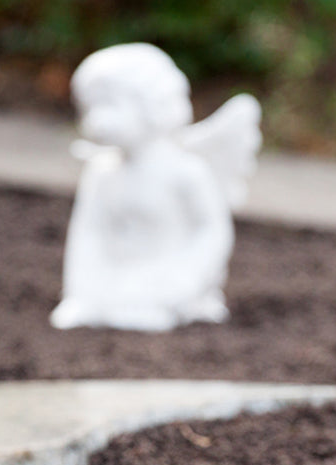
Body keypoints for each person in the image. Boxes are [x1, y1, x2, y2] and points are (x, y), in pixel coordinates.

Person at [50, 43, 261, 331]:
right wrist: (81, 289)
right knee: (108, 302)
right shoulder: (101, 172)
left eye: (110, 104)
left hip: (168, 275)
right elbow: (88, 232)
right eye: (91, 106)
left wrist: (186, 278)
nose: (97, 119)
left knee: (144, 307)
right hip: (117, 275)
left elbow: (212, 229)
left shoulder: (186, 171)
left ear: (152, 103)